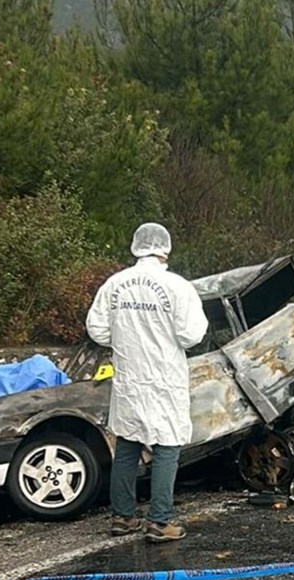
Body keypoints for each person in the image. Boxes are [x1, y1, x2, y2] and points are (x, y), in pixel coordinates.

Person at [86, 223, 208, 543]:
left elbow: (96, 329)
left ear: (136, 247)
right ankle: (160, 520)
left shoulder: (115, 284)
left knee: (128, 442)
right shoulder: (177, 286)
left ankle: (123, 516)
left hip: (129, 376)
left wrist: (125, 336)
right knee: (167, 445)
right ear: (164, 250)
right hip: (165, 378)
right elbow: (191, 335)